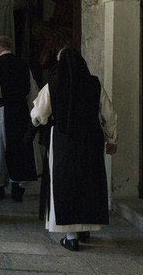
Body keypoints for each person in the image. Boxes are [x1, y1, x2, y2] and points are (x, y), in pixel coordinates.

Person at [30, 47, 117, 251]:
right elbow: (109, 114)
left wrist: (35, 122)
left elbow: (39, 113)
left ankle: (71, 236)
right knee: (88, 182)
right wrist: (111, 139)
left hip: (64, 139)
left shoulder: (54, 85)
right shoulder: (94, 83)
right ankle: (84, 228)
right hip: (91, 140)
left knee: (65, 183)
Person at [0, 36, 39, 201]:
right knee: (19, 147)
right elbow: (32, 91)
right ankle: (17, 186)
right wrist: (33, 114)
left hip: (3, 111)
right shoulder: (23, 64)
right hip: (21, 110)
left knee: (0, 148)